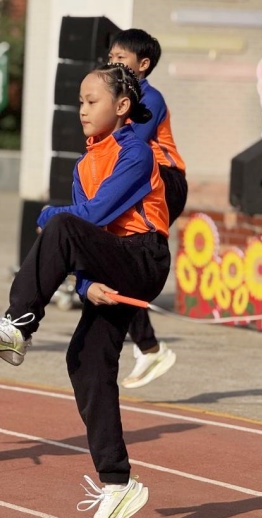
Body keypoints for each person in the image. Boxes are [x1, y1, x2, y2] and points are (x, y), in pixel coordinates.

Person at [0, 64, 169, 518]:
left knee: (61, 224)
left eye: (91, 101)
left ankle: (17, 325)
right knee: (86, 360)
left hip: (144, 259)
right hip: (110, 265)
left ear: (121, 107)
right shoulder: (83, 165)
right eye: (79, 101)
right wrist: (84, 286)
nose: (82, 109)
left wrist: (50, 213)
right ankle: (118, 483)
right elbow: (83, 242)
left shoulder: (135, 152)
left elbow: (92, 217)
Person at [109, 29, 187, 389]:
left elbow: (133, 149)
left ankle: (149, 346)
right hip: (139, 179)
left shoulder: (148, 99)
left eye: (121, 59)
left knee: (129, 262)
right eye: (111, 57)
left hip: (163, 180)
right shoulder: (114, 99)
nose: (113, 63)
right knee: (118, 267)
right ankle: (149, 346)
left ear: (143, 65)